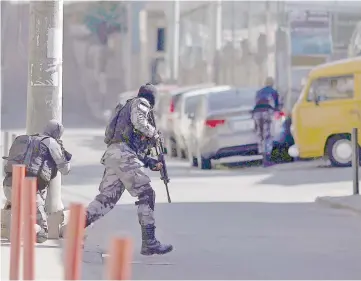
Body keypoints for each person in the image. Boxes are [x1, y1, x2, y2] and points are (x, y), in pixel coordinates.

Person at [65, 83, 173, 256]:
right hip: (123, 155)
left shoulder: (125, 107)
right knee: (146, 194)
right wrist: (155, 133)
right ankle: (149, 242)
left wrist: (148, 161)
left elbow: (132, 142)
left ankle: (74, 228)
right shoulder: (141, 102)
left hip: (115, 154)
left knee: (106, 199)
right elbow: (140, 124)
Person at [2, 119, 72, 243]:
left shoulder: (25, 139)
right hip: (31, 191)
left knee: (17, 209)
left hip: (8, 186)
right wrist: (62, 151)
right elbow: (65, 170)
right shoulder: (51, 143)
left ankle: (13, 227)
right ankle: (26, 228)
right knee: (41, 235)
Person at [253, 77, 280, 167]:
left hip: (257, 113)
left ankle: (262, 157)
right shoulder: (273, 91)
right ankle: (267, 158)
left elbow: (255, 103)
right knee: (267, 135)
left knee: (260, 135)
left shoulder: (259, 92)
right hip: (266, 112)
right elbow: (277, 105)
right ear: (272, 83)